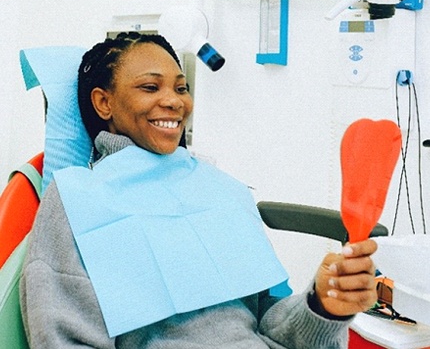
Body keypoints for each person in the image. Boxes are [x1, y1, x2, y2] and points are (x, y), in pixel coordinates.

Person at [20, 32, 378, 348]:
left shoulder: (219, 189)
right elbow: (63, 338)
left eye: (181, 87)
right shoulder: (78, 199)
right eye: (150, 87)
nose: (175, 101)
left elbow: (272, 323)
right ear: (104, 102)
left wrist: (322, 305)